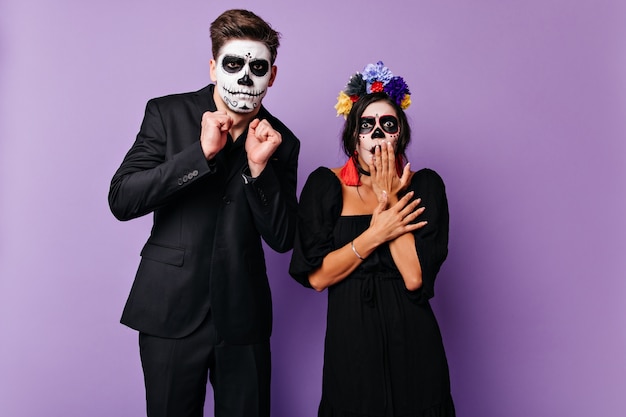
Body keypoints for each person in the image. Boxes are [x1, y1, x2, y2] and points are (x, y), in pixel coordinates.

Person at [108, 9, 300, 417]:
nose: (246, 77)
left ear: (273, 75)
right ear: (214, 68)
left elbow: (283, 239)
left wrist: (259, 170)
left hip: (243, 320)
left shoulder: (282, 142)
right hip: (169, 312)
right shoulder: (167, 114)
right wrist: (200, 155)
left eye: (258, 67)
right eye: (234, 64)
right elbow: (122, 199)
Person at [289, 61, 454, 416]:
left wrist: (389, 197)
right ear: (353, 136)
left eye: (387, 124)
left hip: (413, 341)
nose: (378, 133)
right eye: (367, 125)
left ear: (401, 135)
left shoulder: (426, 186)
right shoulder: (325, 186)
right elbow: (317, 277)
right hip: (351, 343)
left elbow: (414, 278)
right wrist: (375, 233)